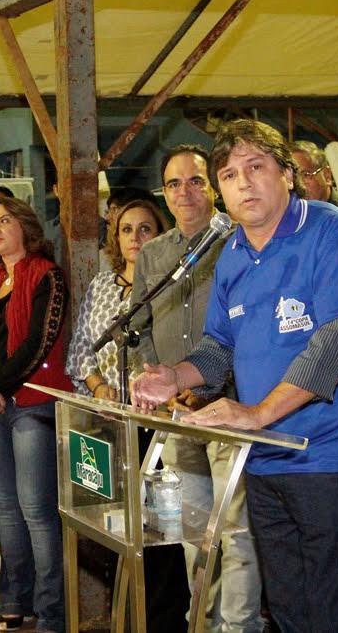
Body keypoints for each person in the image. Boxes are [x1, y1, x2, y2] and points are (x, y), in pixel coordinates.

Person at [132, 120, 338, 632]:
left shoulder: (336, 233)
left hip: (328, 456)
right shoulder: (231, 254)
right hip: (265, 458)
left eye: (255, 167)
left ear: (287, 174)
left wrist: (258, 412)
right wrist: (175, 376)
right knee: (287, 606)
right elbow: (219, 347)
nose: (243, 183)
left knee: (337, 609)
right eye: (229, 175)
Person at [130, 144, 262, 633]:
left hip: (230, 407)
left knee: (237, 533)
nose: (184, 192)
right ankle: (202, 622)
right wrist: (162, 381)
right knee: (192, 532)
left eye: (195, 181)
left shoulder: (240, 244)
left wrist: (212, 385)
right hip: (178, 414)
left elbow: (248, 331)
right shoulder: (153, 254)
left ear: (214, 188)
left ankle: (239, 626)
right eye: (173, 183)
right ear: (163, 194)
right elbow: (139, 326)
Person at [0, 195, 69, 632]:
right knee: (6, 507)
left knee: (37, 510)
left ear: (25, 225)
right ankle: (14, 603)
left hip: (33, 404)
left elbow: (39, 343)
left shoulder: (47, 275)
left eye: (5, 220)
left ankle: (51, 613)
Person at [67, 198, 166, 401]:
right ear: (117, 238)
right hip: (101, 403)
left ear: (160, 236)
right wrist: (98, 387)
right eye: (127, 230)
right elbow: (81, 343)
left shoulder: (169, 286)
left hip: (151, 404)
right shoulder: (100, 283)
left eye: (145, 229)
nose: (134, 237)